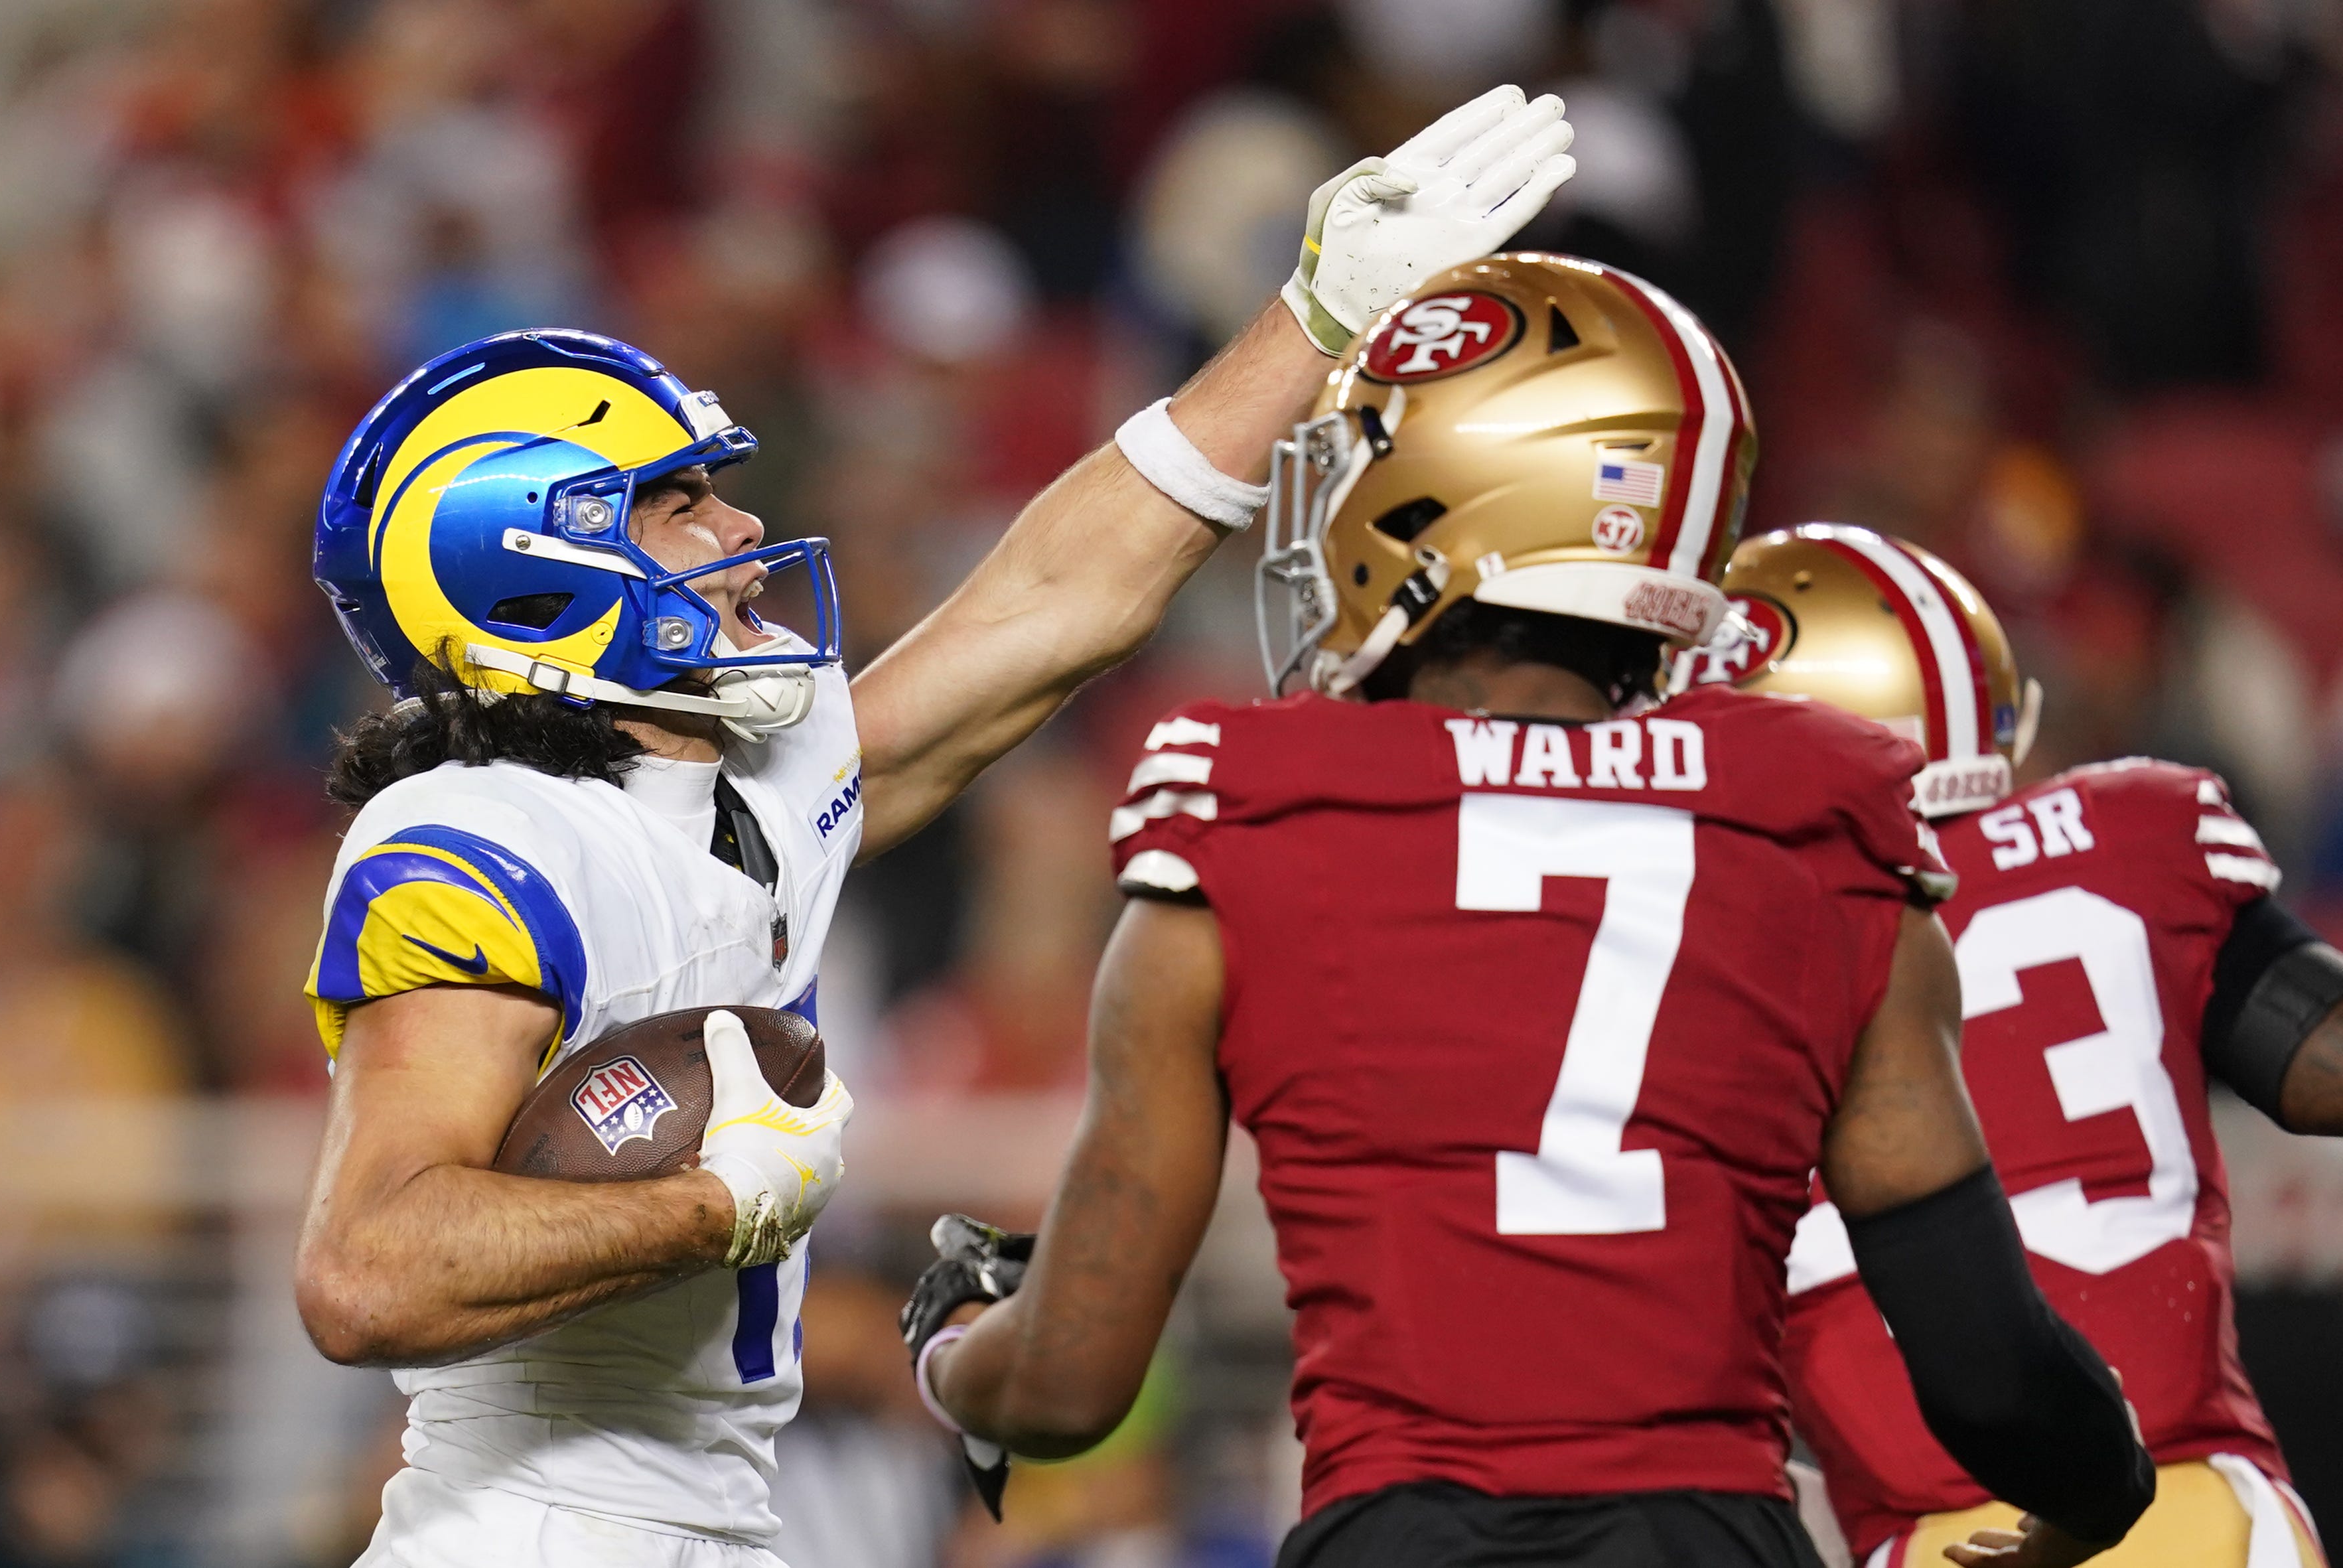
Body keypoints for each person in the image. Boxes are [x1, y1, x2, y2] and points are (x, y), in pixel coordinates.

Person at [288, 85, 1584, 1568]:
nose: (734, 536)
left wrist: (1309, 320)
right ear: (521, 564)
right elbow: (368, 1270)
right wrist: (717, 1206)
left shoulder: (741, 794)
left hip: (693, 1522)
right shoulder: (476, 838)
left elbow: (1050, 606)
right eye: (675, 507)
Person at [900, 254, 2155, 1568]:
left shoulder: (1247, 811)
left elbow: (1063, 1386)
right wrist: (2099, 1493)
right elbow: (1985, 1368)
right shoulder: (1812, 814)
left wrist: (953, 1350)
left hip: (1402, 1537)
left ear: (1457, 488)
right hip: (1704, 1540)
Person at [1680, 524, 2342, 1568]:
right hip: (2200, 1516)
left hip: (1932, 1540)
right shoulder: (2134, 835)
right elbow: (2322, 1070)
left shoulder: (1691, 953)